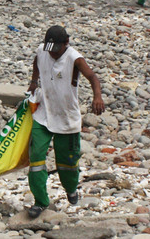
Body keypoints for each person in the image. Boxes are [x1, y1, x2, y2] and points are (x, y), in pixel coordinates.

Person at [27, 25, 105, 218]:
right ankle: (40, 201)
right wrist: (34, 81)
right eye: (49, 49)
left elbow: (92, 76)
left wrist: (97, 97)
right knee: (36, 157)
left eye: (56, 50)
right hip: (43, 114)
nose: (52, 54)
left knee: (67, 162)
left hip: (66, 117)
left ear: (66, 44)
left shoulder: (73, 58)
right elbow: (37, 60)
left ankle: (71, 188)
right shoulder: (43, 50)